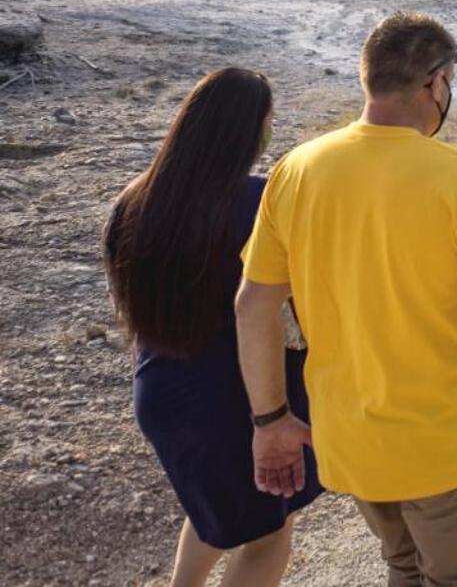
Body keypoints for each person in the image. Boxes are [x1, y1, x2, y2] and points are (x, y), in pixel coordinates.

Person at [236, 12, 457, 587]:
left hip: (350, 440)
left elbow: (253, 306)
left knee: (404, 565)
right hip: (442, 443)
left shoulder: (297, 170)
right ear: (435, 83)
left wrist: (270, 419)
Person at [105, 67, 321, 587]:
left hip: (161, 392)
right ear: (250, 131)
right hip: (242, 398)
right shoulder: (262, 203)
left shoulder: (133, 198)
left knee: (211, 511)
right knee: (269, 531)